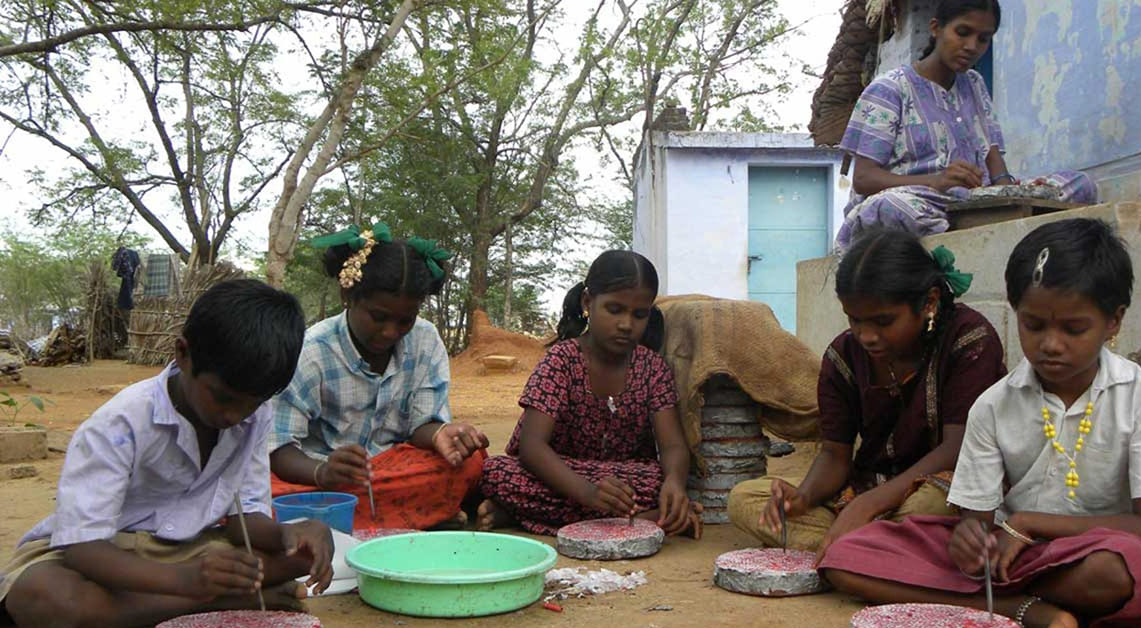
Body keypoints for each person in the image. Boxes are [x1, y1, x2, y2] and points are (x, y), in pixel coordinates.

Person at [819, 219, 1141, 628]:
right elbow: (974, 524)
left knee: (1116, 570)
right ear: (1016, 311)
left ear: (1114, 321)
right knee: (846, 558)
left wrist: (1029, 525)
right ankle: (1021, 609)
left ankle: (993, 603)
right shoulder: (994, 405)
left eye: (1073, 329)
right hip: (1005, 562)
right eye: (1033, 325)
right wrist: (968, 543)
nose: (1050, 344)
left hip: (1089, 555)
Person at [0, 280, 333, 628]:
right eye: (222, 397)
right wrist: (188, 583)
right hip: (107, 553)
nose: (233, 415)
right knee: (45, 599)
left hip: (193, 551)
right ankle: (216, 603)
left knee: (301, 559)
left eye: (251, 404)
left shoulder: (255, 418)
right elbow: (81, 548)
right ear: (182, 353)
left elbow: (246, 524)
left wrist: (291, 535)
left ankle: (126, 614)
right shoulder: (120, 423)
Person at [727, 230, 1005, 558]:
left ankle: (855, 550)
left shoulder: (969, 339)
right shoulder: (843, 356)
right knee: (744, 499)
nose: (866, 335)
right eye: (854, 320)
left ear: (929, 302)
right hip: (866, 487)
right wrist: (802, 497)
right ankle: (879, 552)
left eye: (883, 321)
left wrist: (871, 504)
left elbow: (958, 448)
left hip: (944, 486)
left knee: (928, 507)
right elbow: (835, 455)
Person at [269, 223, 488, 532]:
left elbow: (421, 425)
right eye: (378, 316)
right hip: (320, 475)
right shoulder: (311, 352)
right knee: (262, 492)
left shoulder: (425, 340)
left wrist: (440, 435)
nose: (390, 332)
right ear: (348, 294)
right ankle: (422, 514)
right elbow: (278, 449)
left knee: (471, 461)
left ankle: (356, 521)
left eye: (405, 320)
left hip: (394, 469)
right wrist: (323, 472)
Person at [835, 0, 1097, 250]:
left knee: (1081, 185)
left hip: (970, 203)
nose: (972, 46)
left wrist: (1018, 192)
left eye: (983, 39)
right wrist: (936, 181)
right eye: (963, 32)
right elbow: (864, 179)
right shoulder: (889, 88)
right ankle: (973, 238)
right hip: (917, 203)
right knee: (893, 206)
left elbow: (996, 168)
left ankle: (982, 227)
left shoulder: (975, 84)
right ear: (936, 28)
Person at [478, 250, 702, 537]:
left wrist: (674, 484)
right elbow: (531, 447)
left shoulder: (652, 367)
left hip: (626, 480)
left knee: (660, 480)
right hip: (562, 477)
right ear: (587, 302)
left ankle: (522, 515)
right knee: (497, 472)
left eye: (639, 314)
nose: (626, 324)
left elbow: (672, 446)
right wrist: (588, 492)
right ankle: (647, 520)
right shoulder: (561, 360)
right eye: (615, 309)